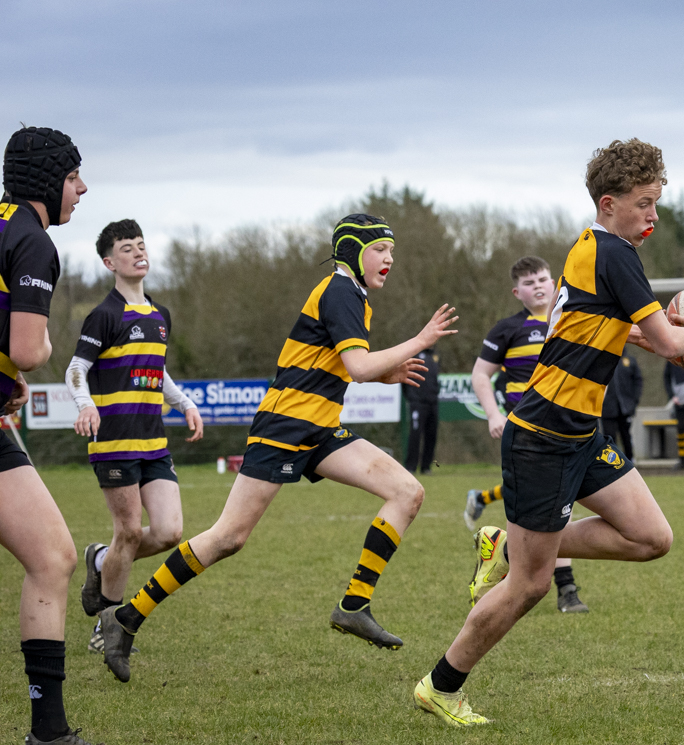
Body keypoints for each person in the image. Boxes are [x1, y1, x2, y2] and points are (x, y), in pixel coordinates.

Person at [412, 138, 684, 727]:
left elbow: (609, 329)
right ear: (609, 204)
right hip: (544, 436)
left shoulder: (594, 249)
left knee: (651, 537)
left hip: (579, 431)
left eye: (657, 202)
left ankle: (504, 546)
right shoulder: (614, 254)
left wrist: (679, 336)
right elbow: (662, 340)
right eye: (644, 203)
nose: (654, 215)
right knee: (530, 586)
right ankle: (441, 684)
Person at [98, 214, 457, 683]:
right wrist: (419, 341)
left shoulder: (354, 294)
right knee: (228, 537)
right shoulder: (340, 290)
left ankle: (354, 604)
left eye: (392, 250)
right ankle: (126, 619)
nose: (389, 259)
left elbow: (348, 365)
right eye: (380, 250)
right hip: (284, 427)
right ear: (352, 251)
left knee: (407, 491)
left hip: (322, 428)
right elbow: (360, 366)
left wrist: (383, 370)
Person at [1, 126, 130, 745]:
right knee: (51, 559)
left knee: (53, 557)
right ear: (50, 177)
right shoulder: (31, 238)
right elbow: (29, 348)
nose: (82, 188)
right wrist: (28, 362)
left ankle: (49, 734)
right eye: (75, 176)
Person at [67, 219, 206, 656]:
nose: (138, 252)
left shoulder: (161, 315)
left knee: (169, 532)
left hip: (153, 442)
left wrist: (184, 404)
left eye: (142, 245)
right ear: (110, 262)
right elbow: (76, 369)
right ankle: (107, 622)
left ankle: (98, 558)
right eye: (127, 248)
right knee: (127, 532)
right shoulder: (104, 315)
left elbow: (157, 371)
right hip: (114, 443)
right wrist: (85, 405)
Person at [463, 256, 588, 613]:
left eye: (544, 279)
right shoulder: (507, 329)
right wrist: (492, 415)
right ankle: (566, 591)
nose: (539, 286)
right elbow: (480, 375)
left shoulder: (572, 321)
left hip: (573, 427)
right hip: (531, 433)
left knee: (551, 510)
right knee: (553, 509)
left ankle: (500, 561)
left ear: (555, 282)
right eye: (530, 282)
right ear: (517, 291)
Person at [601, 347, 642, 462]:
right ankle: (611, 464)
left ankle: (629, 461)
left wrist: (633, 401)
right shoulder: (602, 360)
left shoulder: (629, 361)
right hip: (606, 408)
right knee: (609, 438)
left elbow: (638, 381)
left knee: (626, 437)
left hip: (625, 408)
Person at [403, 343, 439, 474]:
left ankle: (426, 467)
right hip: (418, 403)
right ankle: (411, 466)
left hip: (433, 403)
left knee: (432, 435)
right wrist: (413, 397)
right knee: (415, 435)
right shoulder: (414, 355)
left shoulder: (435, 356)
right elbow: (405, 380)